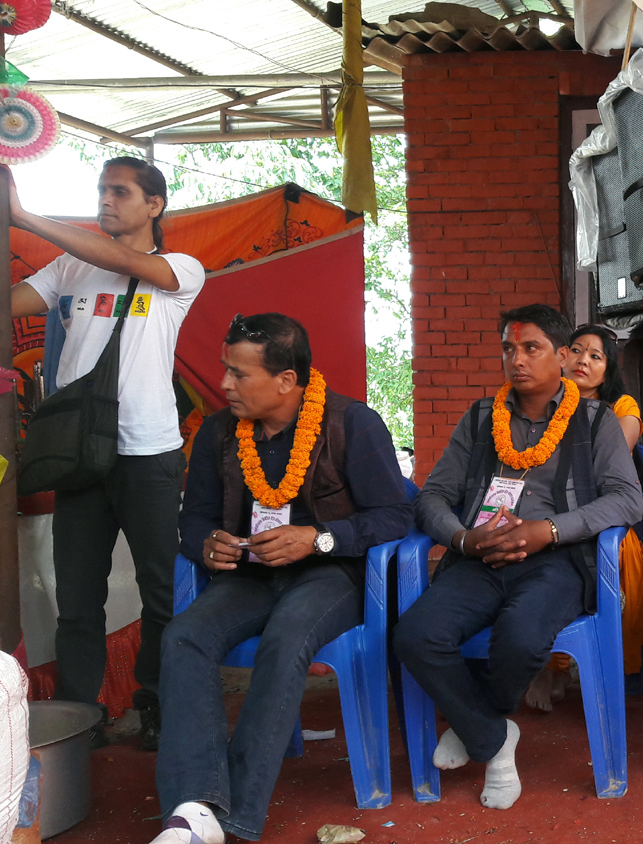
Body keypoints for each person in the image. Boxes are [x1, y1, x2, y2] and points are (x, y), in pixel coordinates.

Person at [152, 314, 410, 844]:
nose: (224, 384)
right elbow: (194, 518)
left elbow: (395, 516)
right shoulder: (219, 433)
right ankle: (196, 804)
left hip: (330, 574)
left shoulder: (352, 423)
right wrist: (206, 544)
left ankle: (234, 816)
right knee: (183, 636)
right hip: (249, 576)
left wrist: (317, 538)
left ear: (286, 380)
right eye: (226, 369)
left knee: (287, 636)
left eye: (239, 374)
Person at [393, 305, 641, 811]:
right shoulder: (481, 418)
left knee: (522, 638)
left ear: (562, 355)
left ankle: (475, 722)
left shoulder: (596, 420)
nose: (517, 360)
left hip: (557, 560)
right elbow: (433, 495)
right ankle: (494, 738)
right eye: (509, 348)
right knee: (415, 635)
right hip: (479, 557)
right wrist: (464, 540)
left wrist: (549, 530)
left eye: (531, 348)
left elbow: (626, 500)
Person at [8, 158, 205, 749]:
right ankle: (79, 716)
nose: (106, 200)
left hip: (149, 452)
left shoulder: (180, 269)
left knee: (160, 592)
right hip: (79, 456)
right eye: (101, 190)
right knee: (77, 599)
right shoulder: (69, 267)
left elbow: (120, 260)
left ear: (155, 205)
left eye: (120, 192)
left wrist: (24, 216)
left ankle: (158, 703)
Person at [524, 324, 643, 712]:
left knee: (609, 551)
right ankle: (549, 666)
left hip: (605, 513)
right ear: (562, 357)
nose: (583, 361)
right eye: (577, 350)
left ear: (608, 368)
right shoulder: (542, 402)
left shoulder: (621, 408)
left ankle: (601, 669)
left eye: (596, 356)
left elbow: (607, 460)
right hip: (549, 510)